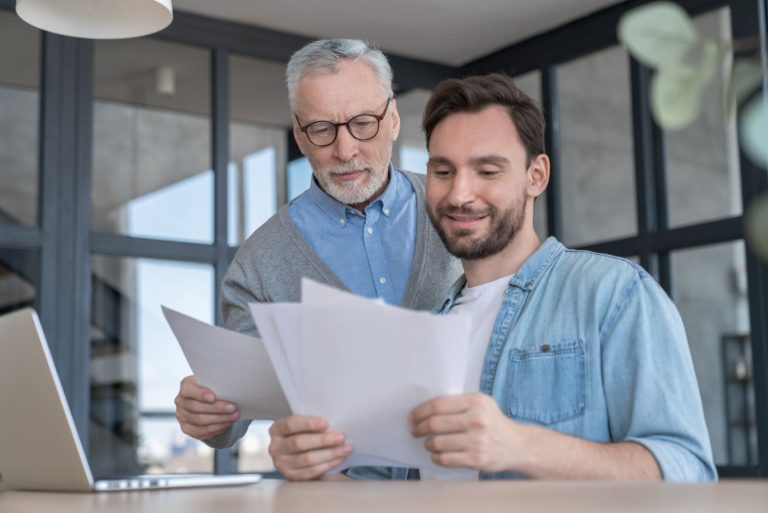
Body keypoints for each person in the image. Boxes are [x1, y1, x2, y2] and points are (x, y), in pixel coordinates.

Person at [270, 73, 717, 481]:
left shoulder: (613, 295)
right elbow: (383, 487)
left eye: (487, 171)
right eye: (444, 172)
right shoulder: (424, 330)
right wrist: (316, 467)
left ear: (535, 176)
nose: (460, 193)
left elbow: (689, 474)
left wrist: (523, 446)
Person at [173, 39, 461, 452]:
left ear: (394, 119)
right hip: (337, 494)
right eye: (322, 129)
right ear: (300, 135)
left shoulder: (458, 209)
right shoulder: (259, 262)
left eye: (363, 123)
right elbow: (232, 411)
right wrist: (207, 413)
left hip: (465, 482)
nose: (345, 150)